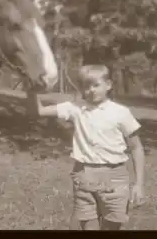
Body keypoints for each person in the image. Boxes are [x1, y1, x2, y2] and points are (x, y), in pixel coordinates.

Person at [29, 64, 145, 230]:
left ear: (108, 85)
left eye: (96, 85)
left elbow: (136, 148)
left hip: (114, 177)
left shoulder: (121, 112)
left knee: (112, 226)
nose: (91, 90)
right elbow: (39, 111)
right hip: (83, 175)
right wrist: (32, 88)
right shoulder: (75, 107)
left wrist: (139, 184)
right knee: (87, 226)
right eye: (86, 86)